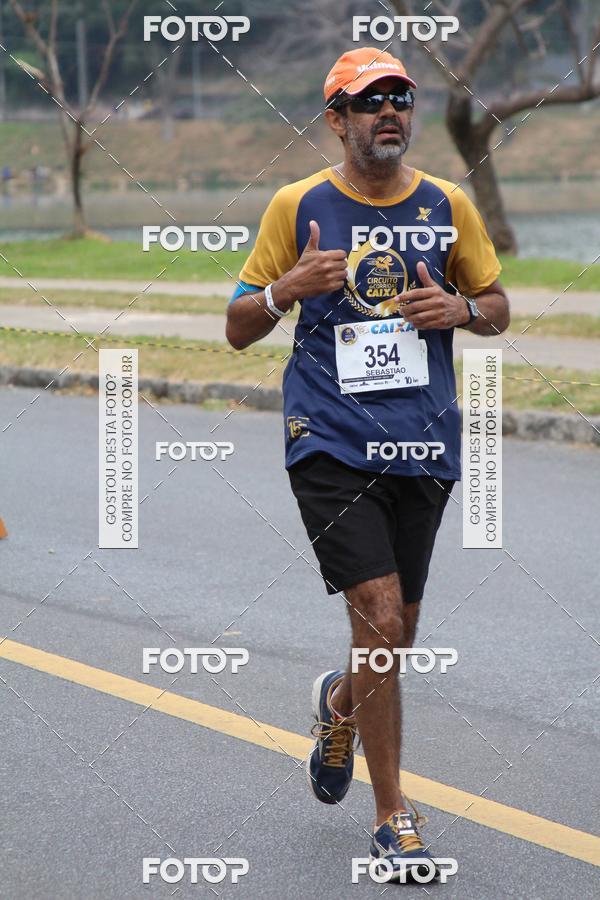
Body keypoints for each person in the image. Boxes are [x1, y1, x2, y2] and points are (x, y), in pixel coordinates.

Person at [226, 47, 509, 882]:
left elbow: (496, 306)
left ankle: (338, 706)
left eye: (400, 97)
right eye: (368, 100)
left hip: (424, 441)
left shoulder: (447, 205)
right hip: (329, 440)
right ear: (336, 120)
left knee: (397, 634)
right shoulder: (297, 205)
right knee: (380, 618)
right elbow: (238, 327)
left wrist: (461, 307)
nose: (389, 110)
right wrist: (286, 290)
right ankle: (392, 819)